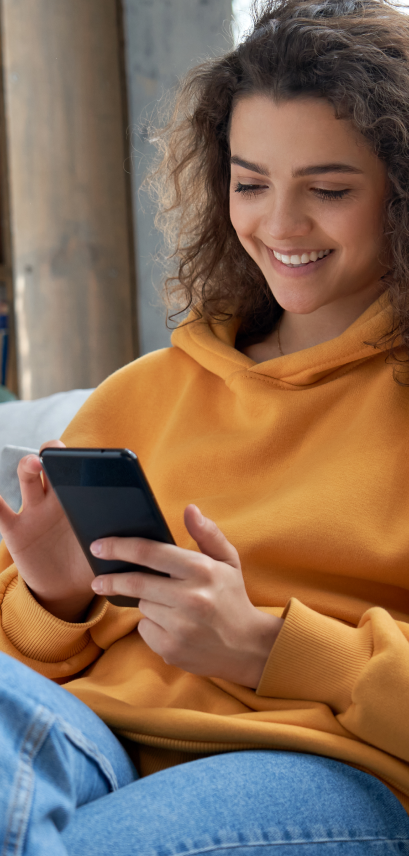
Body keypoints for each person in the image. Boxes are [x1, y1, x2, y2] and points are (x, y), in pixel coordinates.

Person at [1, 0, 409, 852]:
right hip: (94, 733)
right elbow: (26, 677)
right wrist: (54, 594)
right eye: (251, 183)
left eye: (328, 190)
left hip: (319, 763)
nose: (280, 226)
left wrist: (266, 646)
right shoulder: (147, 392)